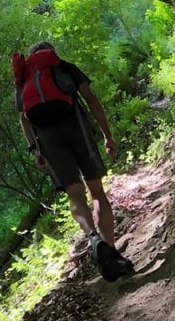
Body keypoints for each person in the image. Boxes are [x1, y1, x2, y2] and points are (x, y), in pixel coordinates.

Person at [12, 41, 133, 279]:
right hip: (76, 127)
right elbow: (91, 99)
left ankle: (93, 237)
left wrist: (34, 149)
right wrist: (107, 135)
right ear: (52, 52)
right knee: (96, 191)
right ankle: (112, 250)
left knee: (74, 193)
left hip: (48, 139)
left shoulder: (23, 77)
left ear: (31, 56)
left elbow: (24, 119)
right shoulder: (65, 67)